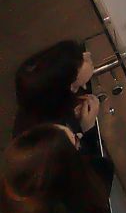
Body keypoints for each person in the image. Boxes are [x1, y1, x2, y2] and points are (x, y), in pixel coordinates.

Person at [10, 42, 108, 187]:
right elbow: (97, 183)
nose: (87, 55)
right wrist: (88, 130)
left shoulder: (35, 102)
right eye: (77, 86)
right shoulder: (49, 148)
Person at [2, 124, 112, 213]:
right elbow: (103, 170)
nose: (79, 136)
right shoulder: (87, 212)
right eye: (76, 141)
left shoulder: (15, 202)